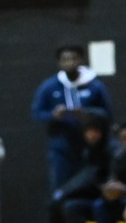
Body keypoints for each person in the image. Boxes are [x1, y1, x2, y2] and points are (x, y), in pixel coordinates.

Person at [31, 44, 112, 212]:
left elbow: (107, 113)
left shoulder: (94, 86)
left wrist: (86, 113)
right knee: (61, 192)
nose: (70, 63)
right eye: (65, 59)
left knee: (91, 188)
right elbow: (37, 113)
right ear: (59, 63)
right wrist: (54, 115)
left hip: (90, 149)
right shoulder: (49, 86)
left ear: (81, 60)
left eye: (74, 58)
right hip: (62, 150)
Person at [37, 114, 112, 223]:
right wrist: (64, 192)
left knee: (81, 206)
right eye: (88, 131)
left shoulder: (111, 150)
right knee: (62, 205)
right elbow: (87, 176)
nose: (92, 135)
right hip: (96, 195)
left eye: (96, 131)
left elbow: (97, 177)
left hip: (112, 199)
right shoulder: (89, 151)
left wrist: (65, 191)